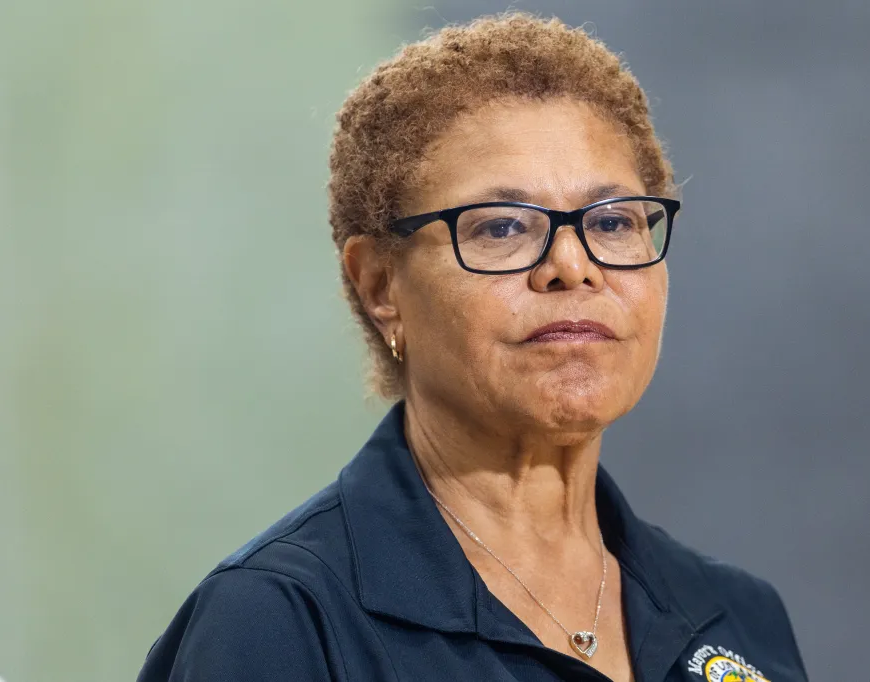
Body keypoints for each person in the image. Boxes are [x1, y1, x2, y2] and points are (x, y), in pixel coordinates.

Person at [138, 13, 808, 682]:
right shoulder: (279, 623)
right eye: (502, 227)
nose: (572, 265)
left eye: (612, 221)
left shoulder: (734, 616)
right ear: (378, 285)